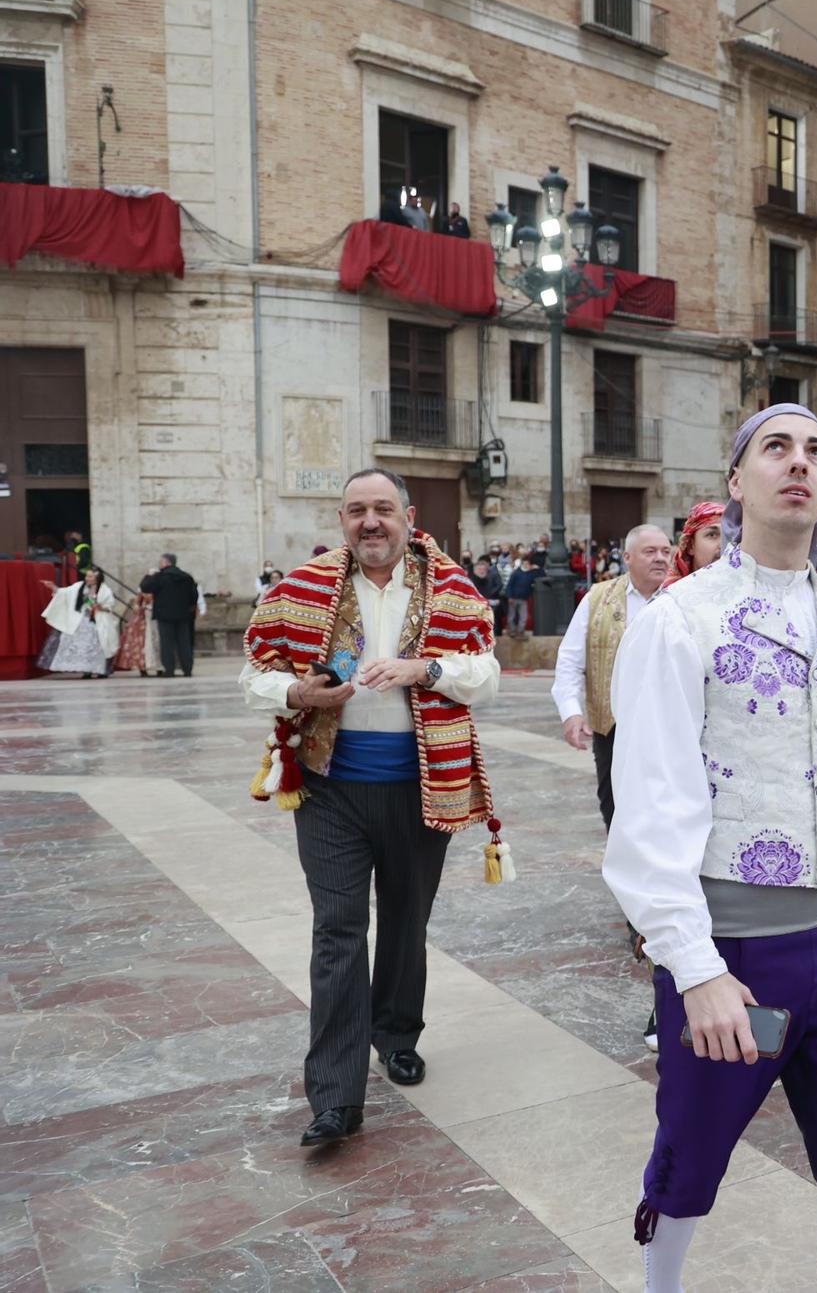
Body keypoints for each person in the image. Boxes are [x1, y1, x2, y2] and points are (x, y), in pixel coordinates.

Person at [603, 404, 817, 1292]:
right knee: (692, 1146)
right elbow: (648, 808)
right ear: (737, 480)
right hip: (734, 952)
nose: (799, 464)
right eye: (777, 448)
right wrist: (694, 964)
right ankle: (660, 1284)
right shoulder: (681, 620)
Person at [240, 467, 505, 1147]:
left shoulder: (452, 589)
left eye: (382, 509)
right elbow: (254, 673)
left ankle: (396, 1032)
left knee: (406, 920)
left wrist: (427, 670)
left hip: (423, 787)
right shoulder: (299, 589)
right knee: (338, 928)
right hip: (328, 789)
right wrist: (299, 694)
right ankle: (335, 1095)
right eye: (356, 510)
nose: (370, 522)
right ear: (341, 520)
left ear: (408, 516)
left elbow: (488, 674)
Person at [553, 522, 679, 1050]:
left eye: (665, 550)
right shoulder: (598, 601)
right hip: (616, 731)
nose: (660, 558)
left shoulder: (684, 596)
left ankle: (656, 913)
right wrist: (572, 713)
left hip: (674, 734)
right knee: (621, 820)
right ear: (626, 557)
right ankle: (639, 912)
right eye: (648, 551)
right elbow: (570, 662)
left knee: (668, 822)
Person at [39, 568, 119, 677]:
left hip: (98, 621)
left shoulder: (105, 590)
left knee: (98, 645)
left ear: (97, 578)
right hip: (81, 620)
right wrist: (53, 587)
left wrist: (100, 607)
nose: (87, 578)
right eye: (87, 576)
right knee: (82, 646)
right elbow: (65, 592)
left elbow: (110, 605)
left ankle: (101, 670)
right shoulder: (79, 586)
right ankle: (86, 670)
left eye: (90, 576)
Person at [139, 553, 200, 677]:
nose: (159, 564)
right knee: (184, 642)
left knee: (167, 643)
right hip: (183, 615)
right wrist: (189, 608)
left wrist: (148, 576)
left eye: (161, 562)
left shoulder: (160, 577)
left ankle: (169, 669)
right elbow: (194, 595)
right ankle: (187, 669)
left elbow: (144, 587)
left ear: (167, 562)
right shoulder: (186, 577)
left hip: (164, 615)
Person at [504, 555, 540, 635]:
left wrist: (537, 569)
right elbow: (509, 585)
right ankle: (512, 630)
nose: (526, 565)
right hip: (514, 598)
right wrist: (510, 596)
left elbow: (540, 576)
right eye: (524, 563)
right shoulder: (516, 573)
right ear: (522, 564)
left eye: (527, 564)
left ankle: (520, 630)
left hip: (523, 598)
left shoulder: (531, 574)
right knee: (511, 616)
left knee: (523, 616)